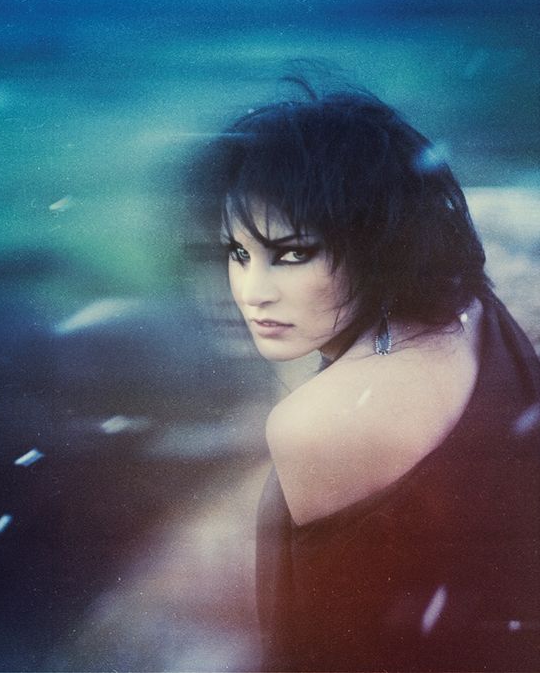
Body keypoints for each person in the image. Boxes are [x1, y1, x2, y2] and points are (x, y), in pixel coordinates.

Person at [193, 84, 540, 671]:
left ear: (375, 242)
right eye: (239, 252)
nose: (252, 293)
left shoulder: (314, 425)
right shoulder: (471, 309)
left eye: (293, 253)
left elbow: (304, 648)